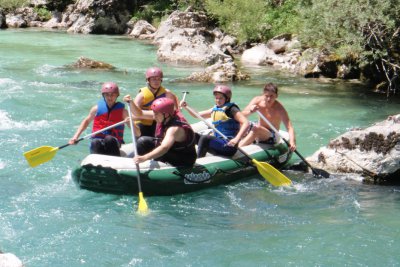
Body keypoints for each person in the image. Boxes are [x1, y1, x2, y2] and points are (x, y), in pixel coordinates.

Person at [69, 82, 139, 156]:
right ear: (103, 95)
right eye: (107, 95)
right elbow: (86, 122)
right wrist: (75, 137)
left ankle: (115, 158)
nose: (110, 97)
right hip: (98, 139)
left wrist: (130, 122)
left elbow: (138, 133)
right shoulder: (96, 109)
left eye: (113, 95)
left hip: (114, 141)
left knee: (109, 139)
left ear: (117, 96)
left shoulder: (123, 112)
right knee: (95, 142)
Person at [123, 96, 197, 167]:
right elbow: (140, 113)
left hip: (183, 158)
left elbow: (164, 148)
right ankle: (127, 162)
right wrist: (131, 102)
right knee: (143, 141)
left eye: (156, 114)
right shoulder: (165, 114)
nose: (154, 116)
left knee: (158, 152)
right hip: (171, 150)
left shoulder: (174, 129)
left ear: (166, 115)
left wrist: (144, 158)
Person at [181, 85, 249, 158]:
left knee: (205, 138)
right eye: (216, 98)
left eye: (221, 98)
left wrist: (236, 139)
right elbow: (197, 115)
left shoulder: (232, 109)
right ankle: (185, 157)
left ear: (227, 98)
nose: (218, 100)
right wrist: (186, 106)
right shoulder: (215, 109)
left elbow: (245, 122)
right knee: (191, 135)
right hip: (218, 144)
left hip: (229, 146)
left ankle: (198, 162)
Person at [238, 82, 296, 151]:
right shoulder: (257, 100)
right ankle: (235, 139)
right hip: (260, 129)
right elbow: (241, 116)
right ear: (263, 94)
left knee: (256, 128)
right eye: (266, 96)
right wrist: (250, 111)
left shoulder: (279, 108)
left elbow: (289, 127)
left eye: (271, 96)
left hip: (272, 135)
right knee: (242, 122)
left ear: (276, 96)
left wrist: (292, 142)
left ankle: (238, 147)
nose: (268, 99)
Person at [133, 67, 179, 137]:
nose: (156, 82)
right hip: (144, 124)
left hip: (160, 122)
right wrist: (153, 116)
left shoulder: (167, 94)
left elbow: (175, 112)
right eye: (153, 79)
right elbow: (133, 115)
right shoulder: (141, 96)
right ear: (148, 80)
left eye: (158, 79)